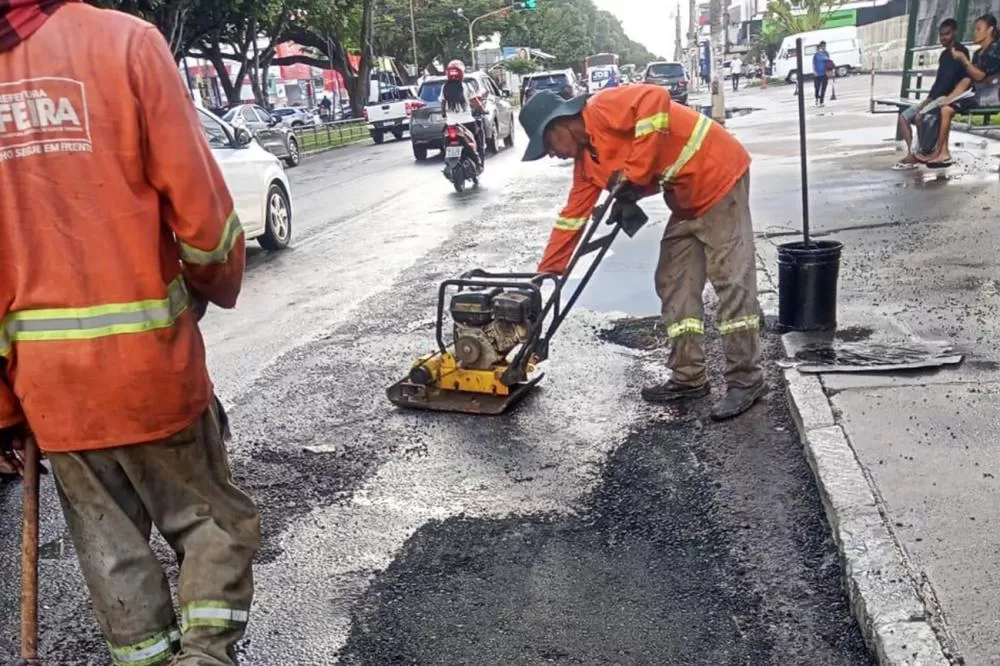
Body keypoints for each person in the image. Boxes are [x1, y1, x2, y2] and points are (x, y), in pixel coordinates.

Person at [0, 2, 261, 665]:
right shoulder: (124, 44)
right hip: (150, 369)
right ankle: (205, 656)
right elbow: (206, 224)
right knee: (212, 523)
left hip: (52, 394)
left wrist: (4, 410)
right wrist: (214, 284)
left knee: (110, 550)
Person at [518, 85, 766, 421]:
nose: (550, 154)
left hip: (717, 176)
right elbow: (571, 219)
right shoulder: (587, 165)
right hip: (686, 199)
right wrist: (545, 274)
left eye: (547, 144)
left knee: (731, 280)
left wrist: (634, 179)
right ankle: (689, 376)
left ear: (560, 122)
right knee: (673, 281)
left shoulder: (602, 108)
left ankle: (745, 380)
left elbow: (655, 99)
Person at [919, 14, 1000, 166]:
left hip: (992, 94)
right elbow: (968, 79)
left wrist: (964, 60)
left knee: (946, 109)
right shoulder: (978, 53)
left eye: (978, 29)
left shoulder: (995, 48)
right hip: (978, 93)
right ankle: (941, 152)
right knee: (945, 108)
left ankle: (940, 152)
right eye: (974, 29)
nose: (974, 33)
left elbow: (980, 75)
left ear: (990, 30)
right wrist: (951, 98)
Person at [894, 19, 970, 168]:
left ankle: (923, 151)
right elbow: (939, 81)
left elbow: (948, 82)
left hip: (947, 96)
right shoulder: (944, 55)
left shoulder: (961, 53)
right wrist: (928, 99)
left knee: (920, 116)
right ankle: (911, 152)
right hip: (934, 97)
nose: (943, 38)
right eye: (941, 35)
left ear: (955, 33)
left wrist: (929, 101)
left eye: (947, 34)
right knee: (904, 117)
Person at [441, 59, 487, 168]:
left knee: (445, 141)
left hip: (450, 124)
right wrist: (483, 110)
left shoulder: (444, 87)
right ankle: (478, 161)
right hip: (467, 123)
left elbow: (442, 103)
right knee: (478, 139)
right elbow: (475, 102)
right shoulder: (466, 86)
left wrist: (444, 114)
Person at [813, 42, 831, 106]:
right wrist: (814, 71)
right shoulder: (816, 55)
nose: (823, 47)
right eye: (822, 46)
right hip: (817, 74)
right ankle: (816, 99)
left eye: (824, 46)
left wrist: (829, 71)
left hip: (825, 73)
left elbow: (829, 63)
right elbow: (814, 63)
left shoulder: (826, 54)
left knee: (823, 88)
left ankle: (821, 101)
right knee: (817, 88)